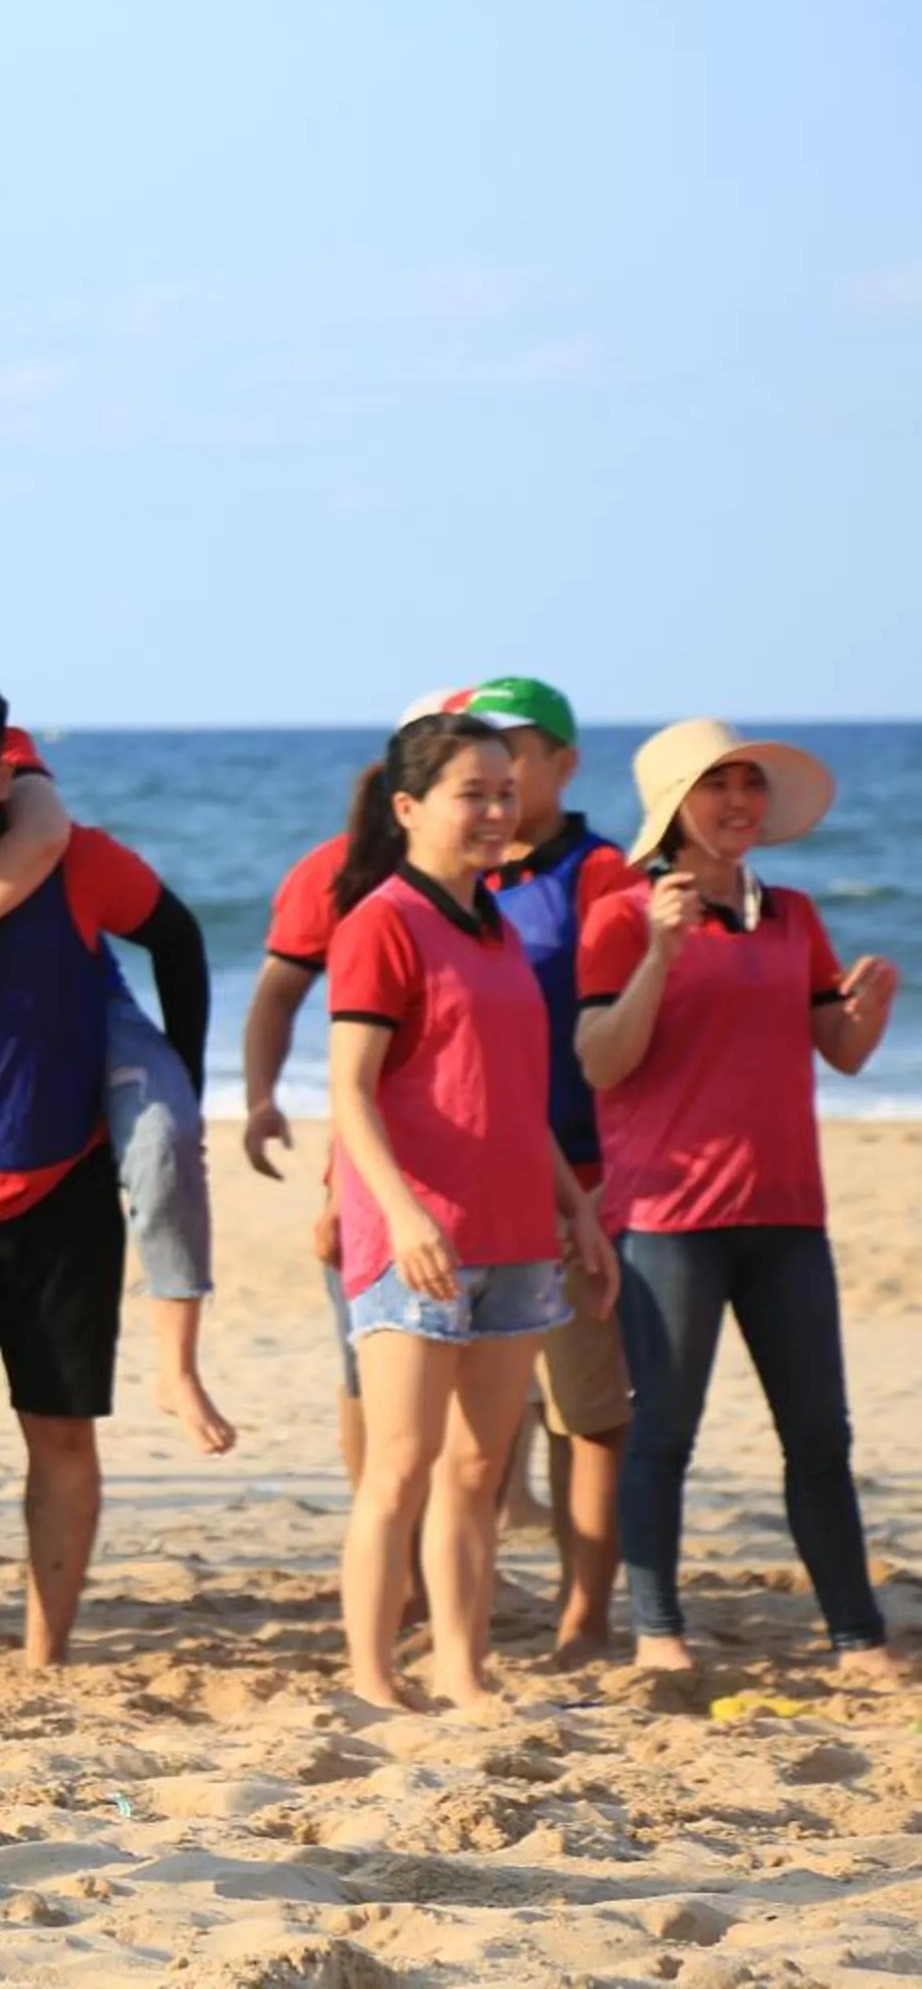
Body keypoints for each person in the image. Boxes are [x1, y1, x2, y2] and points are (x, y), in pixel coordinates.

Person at [0, 677, 209, 1692]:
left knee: (61, 1430)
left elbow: (180, 938)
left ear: (1, 778)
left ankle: (46, 1654)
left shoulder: (77, 861)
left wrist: (180, 1074)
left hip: (62, 1188)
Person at [577, 719, 902, 1677]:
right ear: (675, 806)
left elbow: (838, 1055)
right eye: (718, 786)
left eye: (752, 786)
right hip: (670, 1220)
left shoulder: (793, 914)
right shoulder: (620, 914)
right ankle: (659, 1633)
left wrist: (865, 1011)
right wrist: (658, 957)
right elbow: (601, 1063)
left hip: (789, 1214)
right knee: (664, 1432)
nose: (740, 804)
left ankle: (858, 1636)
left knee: (819, 1435)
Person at [327, 712, 613, 1715]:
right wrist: (402, 1214)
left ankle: (462, 1667)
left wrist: (575, 1206)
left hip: (515, 1234)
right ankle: (372, 1675)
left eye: (505, 791)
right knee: (401, 1463)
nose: (495, 810)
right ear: (409, 807)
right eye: (471, 793)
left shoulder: (495, 924)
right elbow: (352, 1090)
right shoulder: (381, 920)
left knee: (481, 1466)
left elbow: (510, 1095)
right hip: (416, 1239)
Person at [239, 688, 471, 1490]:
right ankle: (390, 1552)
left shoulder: (503, 878)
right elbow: (277, 992)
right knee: (368, 1367)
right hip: (379, 1169)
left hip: (496, 1165)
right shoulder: (341, 877)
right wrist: (262, 1097)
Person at [459, 677, 641, 1665]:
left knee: (587, 1414)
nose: (494, 782)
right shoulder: (456, 873)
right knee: (475, 1424)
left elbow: (636, 1029)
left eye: (514, 757)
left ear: (563, 765)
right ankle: (466, 1612)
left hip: (580, 1175)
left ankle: (585, 1616)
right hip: (468, 1186)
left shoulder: (602, 871)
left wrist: (611, 1180)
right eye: (477, 761)